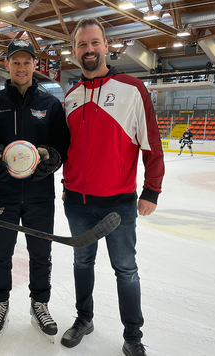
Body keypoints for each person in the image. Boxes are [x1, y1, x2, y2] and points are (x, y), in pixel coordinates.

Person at [60, 18, 165, 356]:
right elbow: (66, 148)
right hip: (77, 200)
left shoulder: (132, 88)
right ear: (74, 51)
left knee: (126, 269)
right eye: (81, 45)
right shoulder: (71, 96)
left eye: (94, 43)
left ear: (106, 46)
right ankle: (84, 319)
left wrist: (152, 189)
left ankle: (132, 337)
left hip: (118, 202)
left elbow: (151, 141)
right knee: (81, 264)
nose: (88, 50)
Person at [0, 39, 70, 342]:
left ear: (34, 66)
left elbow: (62, 145)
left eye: (26, 61)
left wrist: (51, 161)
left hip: (41, 194)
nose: (21, 67)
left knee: (41, 253)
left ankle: (39, 304)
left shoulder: (51, 105)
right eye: (15, 61)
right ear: (7, 65)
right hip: (2, 193)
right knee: (0, 253)